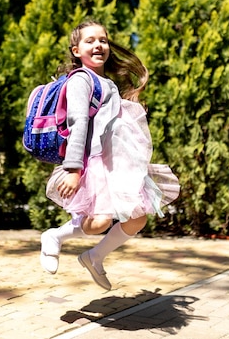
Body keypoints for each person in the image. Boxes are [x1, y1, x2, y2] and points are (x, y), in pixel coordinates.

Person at [40, 20, 180, 291]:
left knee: (137, 217)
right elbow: (77, 124)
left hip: (118, 165)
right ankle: (54, 237)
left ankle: (94, 257)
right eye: (90, 41)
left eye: (103, 40)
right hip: (92, 164)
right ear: (76, 50)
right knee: (98, 223)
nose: (98, 45)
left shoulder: (106, 83)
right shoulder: (81, 80)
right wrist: (73, 169)